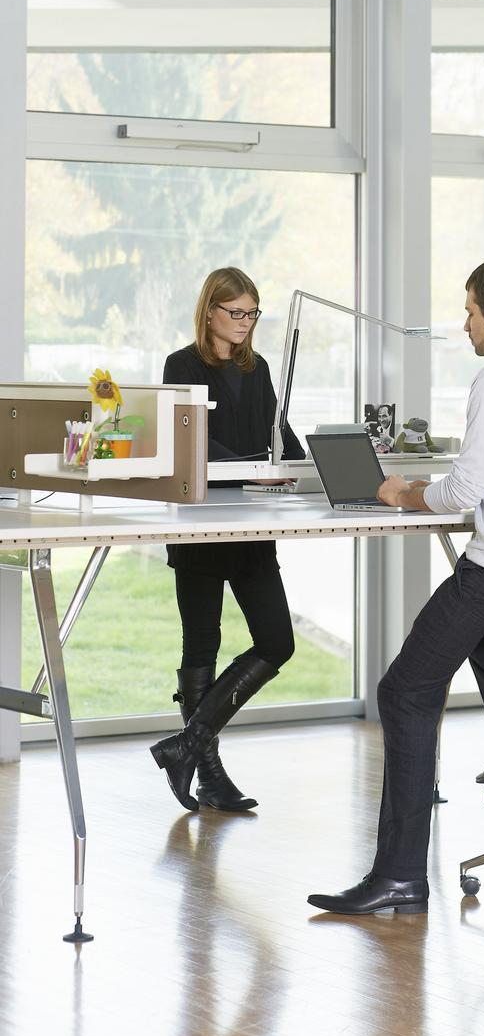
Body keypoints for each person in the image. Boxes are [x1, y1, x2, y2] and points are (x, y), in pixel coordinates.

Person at [308, 256, 484, 914]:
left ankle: (400, 876)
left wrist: (403, 493)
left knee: (404, 691)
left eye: (469, 311)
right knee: (462, 624)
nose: (465, 325)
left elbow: (464, 490)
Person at [150, 267, 304, 813]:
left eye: (252, 313)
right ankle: (209, 775)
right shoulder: (181, 365)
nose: (244, 323)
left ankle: (186, 746)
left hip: (251, 526)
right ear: (209, 311)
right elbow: (188, 440)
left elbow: (278, 433)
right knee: (202, 646)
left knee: (277, 640)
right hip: (197, 525)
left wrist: (307, 462)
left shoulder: (258, 368)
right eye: (236, 312)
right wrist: (255, 469)